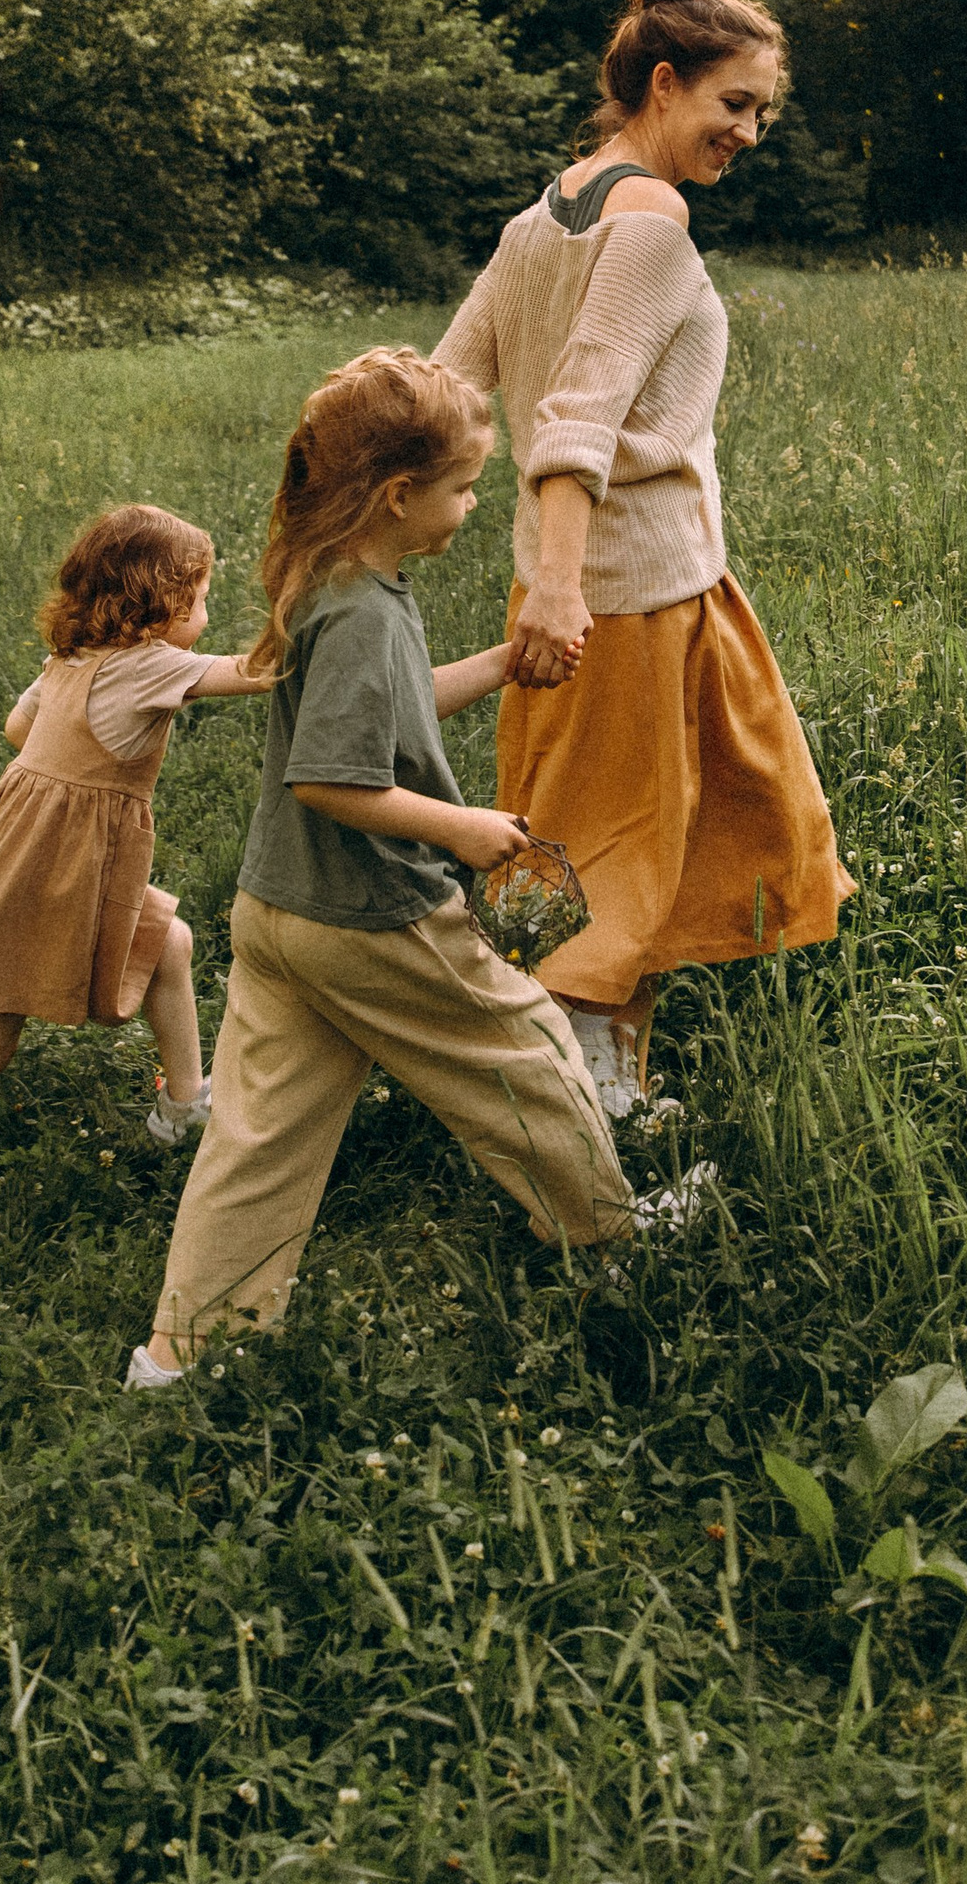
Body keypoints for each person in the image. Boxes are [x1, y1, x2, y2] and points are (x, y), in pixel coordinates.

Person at [126, 347, 635, 1388]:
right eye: (462, 487)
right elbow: (331, 778)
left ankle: (183, 1356)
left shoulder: (337, 579)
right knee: (528, 1046)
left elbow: (378, 722)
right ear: (400, 494)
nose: (471, 504)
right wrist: (460, 829)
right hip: (372, 910)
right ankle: (609, 1237)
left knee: (259, 1136)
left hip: (281, 911)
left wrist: (501, 665)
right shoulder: (361, 610)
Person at [434, 0, 851, 1114]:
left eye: (763, 111)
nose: (751, 132)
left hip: (648, 590)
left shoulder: (541, 217)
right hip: (616, 600)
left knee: (635, 841)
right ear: (661, 83)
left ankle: (595, 1078)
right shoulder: (652, 222)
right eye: (734, 104)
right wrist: (559, 590)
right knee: (608, 859)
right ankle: (587, 1124)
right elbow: (575, 414)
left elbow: (446, 390)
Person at [0, 502, 264, 1170]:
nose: (207, 613)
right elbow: (251, 673)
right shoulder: (151, 664)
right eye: (201, 599)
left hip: (16, 859)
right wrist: (306, 624)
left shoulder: (68, 659)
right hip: (68, 872)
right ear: (162, 603)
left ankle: (185, 1102)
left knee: (167, 943)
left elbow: (19, 732)